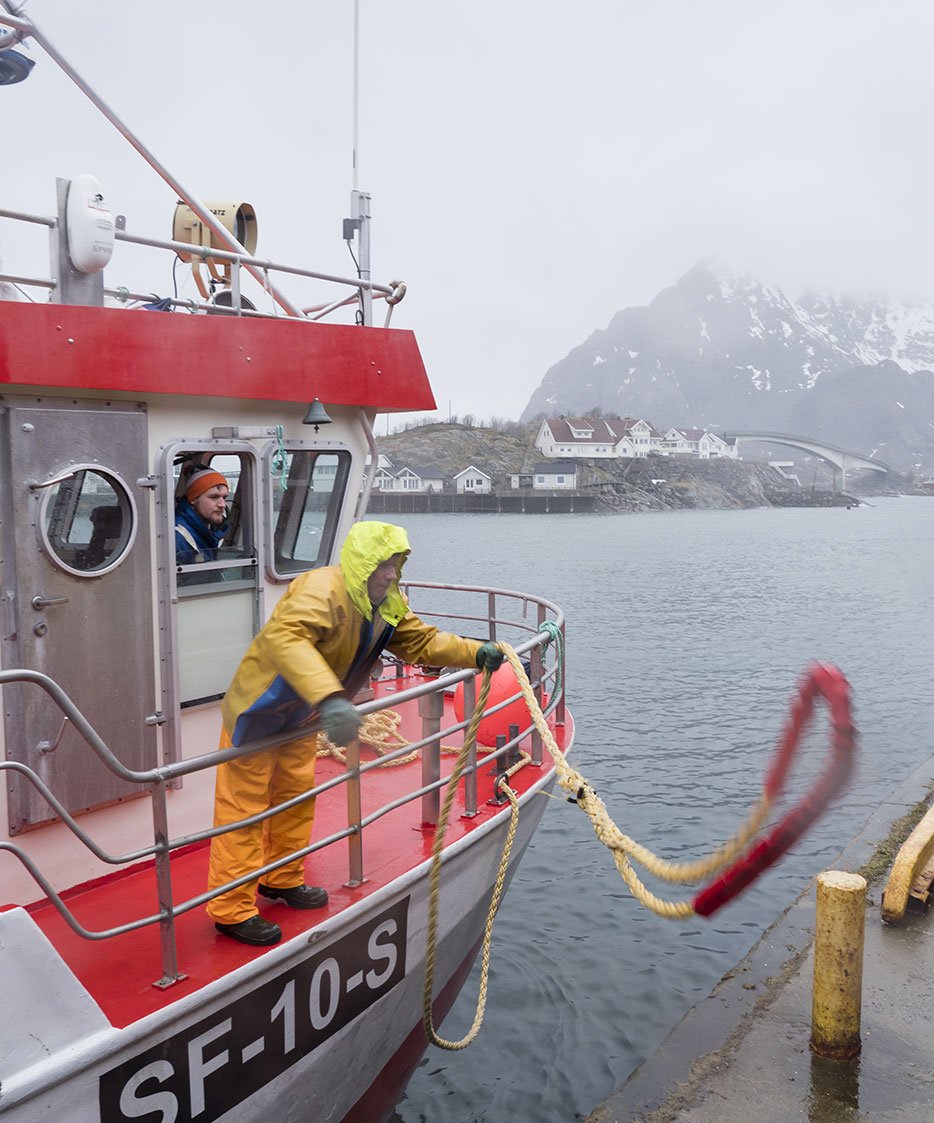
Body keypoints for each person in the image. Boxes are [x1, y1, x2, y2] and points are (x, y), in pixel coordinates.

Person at [207, 520, 505, 946]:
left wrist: (474, 652)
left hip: (303, 715)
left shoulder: (386, 603)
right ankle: (231, 910)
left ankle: (282, 878)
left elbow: (420, 643)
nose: (391, 572)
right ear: (364, 562)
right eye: (385, 563)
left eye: (397, 564)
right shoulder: (320, 590)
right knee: (245, 808)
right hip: (260, 711)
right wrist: (330, 697)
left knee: (295, 796)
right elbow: (288, 640)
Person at [175, 465, 229, 565]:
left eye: (224, 497)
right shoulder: (178, 537)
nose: (222, 505)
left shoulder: (210, 531)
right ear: (193, 499)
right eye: (214, 497)